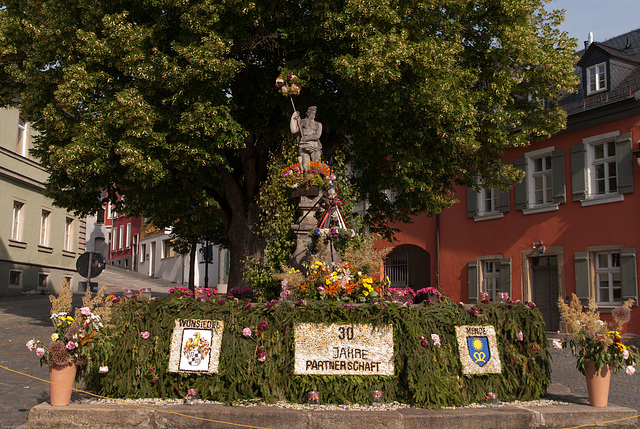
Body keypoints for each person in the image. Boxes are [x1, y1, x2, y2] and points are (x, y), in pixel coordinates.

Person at [290, 106, 322, 171]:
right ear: (308, 113)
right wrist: (294, 118)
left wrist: (306, 138)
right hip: (303, 146)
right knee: (305, 165)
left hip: (314, 147)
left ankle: (317, 178)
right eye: (312, 113)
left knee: (316, 165)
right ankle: (307, 178)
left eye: (314, 113)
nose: (313, 115)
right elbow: (294, 130)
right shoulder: (302, 122)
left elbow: (317, 136)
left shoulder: (318, 124)